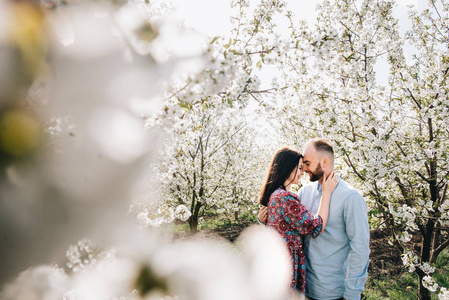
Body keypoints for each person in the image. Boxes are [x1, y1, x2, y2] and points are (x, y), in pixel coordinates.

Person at [259, 138, 370, 300]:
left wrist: (352, 293)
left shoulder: (350, 197)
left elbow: (360, 249)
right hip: (302, 287)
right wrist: (264, 222)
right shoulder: (304, 193)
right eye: (301, 165)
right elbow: (289, 229)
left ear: (324, 162)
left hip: (332, 292)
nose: (303, 169)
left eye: (307, 163)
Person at [258, 146, 338, 297]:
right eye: (300, 168)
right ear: (288, 168)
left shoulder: (276, 195)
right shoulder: (286, 198)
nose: (302, 172)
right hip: (287, 270)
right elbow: (316, 226)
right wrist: (326, 193)